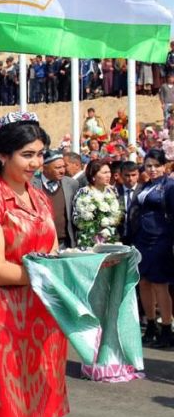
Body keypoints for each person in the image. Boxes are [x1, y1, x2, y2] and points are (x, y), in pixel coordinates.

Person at [0, 111, 68, 417]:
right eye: (27, 155)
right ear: (2, 155)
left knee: (44, 406)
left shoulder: (39, 198)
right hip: (8, 317)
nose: (36, 163)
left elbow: (51, 251)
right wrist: (46, 274)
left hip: (46, 314)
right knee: (11, 411)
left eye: (40, 154)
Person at [128, 148, 174, 348]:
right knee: (144, 282)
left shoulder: (170, 186)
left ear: (164, 166)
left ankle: (167, 329)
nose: (152, 169)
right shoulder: (146, 185)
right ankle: (151, 325)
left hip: (161, 239)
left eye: (156, 165)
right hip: (142, 239)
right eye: (148, 166)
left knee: (160, 284)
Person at [32, 150, 78, 248]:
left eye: (64, 166)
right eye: (58, 167)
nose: (62, 171)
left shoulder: (71, 184)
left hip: (65, 244)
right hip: (40, 242)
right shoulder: (30, 184)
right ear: (44, 167)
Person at [71, 160, 120, 248]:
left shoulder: (112, 190)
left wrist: (110, 221)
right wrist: (94, 224)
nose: (108, 175)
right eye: (104, 173)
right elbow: (76, 218)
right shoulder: (84, 192)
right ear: (93, 176)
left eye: (109, 172)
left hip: (109, 237)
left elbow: (117, 214)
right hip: (89, 240)